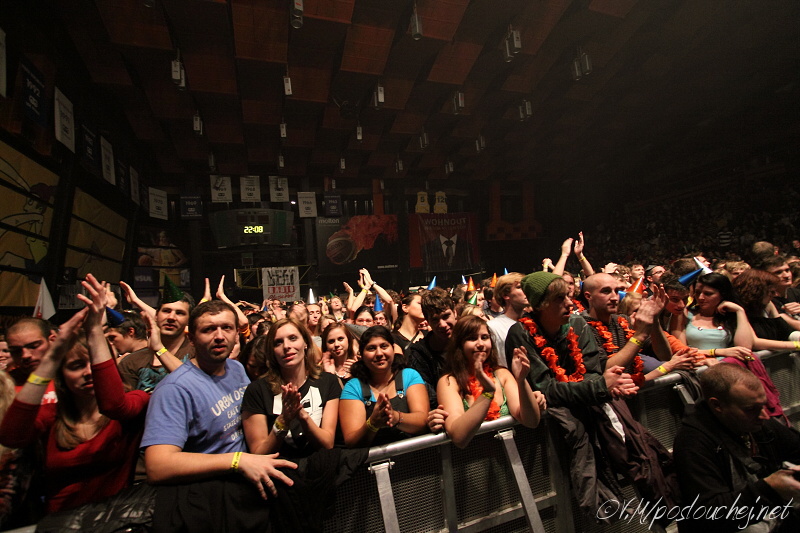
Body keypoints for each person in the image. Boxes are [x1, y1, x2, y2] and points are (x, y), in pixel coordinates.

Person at [0, 273, 150, 513]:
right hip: (59, 523)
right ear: (62, 374)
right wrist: (53, 354)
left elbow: (112, 405)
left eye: (95, 364)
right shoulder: (52, 415)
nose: (90, 373)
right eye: (76, 366)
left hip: (113, 523)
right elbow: (11, 437)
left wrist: (94, 331)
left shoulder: (136, 401)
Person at [141, 300, 296, 498]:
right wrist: (236, 461)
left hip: (247, 479)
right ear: (191, 339)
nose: (220, 337)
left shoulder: (237, 369)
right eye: (209, 330)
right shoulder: (173, 390)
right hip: (209, 493)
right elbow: (158, 467)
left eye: (227, 328)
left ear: (237, 334)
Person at [673, 363, 800, 533]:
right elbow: (711, 514)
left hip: (769, 516)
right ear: (717, 406)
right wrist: (770, 488)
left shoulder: (759, 423)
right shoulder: (693, 442)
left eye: (763, 405)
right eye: (751, 409)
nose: (764, 415)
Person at [241, 318, 340, 459]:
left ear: (305, 342)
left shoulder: (328, 382)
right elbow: (258, 453)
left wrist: (302, 415)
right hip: (279, 475)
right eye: (278, 342)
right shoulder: (257, 390)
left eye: (293, 338)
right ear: (272, 351)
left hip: (320, 471)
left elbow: (327, 443)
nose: (286, 346)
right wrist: (283, 420)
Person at [437, 316, 541, 448]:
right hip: (473, 462)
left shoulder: (502, 374)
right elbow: (459, 437)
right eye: (472, 338)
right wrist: (487, 393)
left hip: (511, 458)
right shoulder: (449, 382)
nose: (480, 344)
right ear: (459, 345)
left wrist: (521, 380)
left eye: (485, 337)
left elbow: (531, 421)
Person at [339, 326, 429, 447]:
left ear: (393, 348)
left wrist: (395, 417)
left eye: (384, 346)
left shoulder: (409, 376)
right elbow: (351, 440)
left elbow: (422, 421)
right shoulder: (353, 387)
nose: (379, 353)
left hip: (412, 459)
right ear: (361, 355)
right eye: (371, 348)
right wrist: (373, 423)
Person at [116, 285, 194, 393]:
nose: (171, 317)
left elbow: (198, 386)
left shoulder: (199, 353)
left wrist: (159, 349)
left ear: (189, 320)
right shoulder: (131, 362)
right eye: (166, 311)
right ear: (156, 316)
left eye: (180, 313)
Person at [407, 288, 457, 408]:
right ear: (427, 320)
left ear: (455, 312)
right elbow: (429, 397)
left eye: (446, 316)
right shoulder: (419, 355)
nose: (442, 325)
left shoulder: (470, 339)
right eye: (435, 320)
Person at [5, 317, 57, 402]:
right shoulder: (5, 385)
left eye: (33, 346)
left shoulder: (72, 377)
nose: (25, 355)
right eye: (16, 351)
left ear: (52, 340)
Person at [487, 272, 526, 367]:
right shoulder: (494, 327)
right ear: (505, 295)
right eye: (520, 287)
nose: (526, 290)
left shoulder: (534, 322)